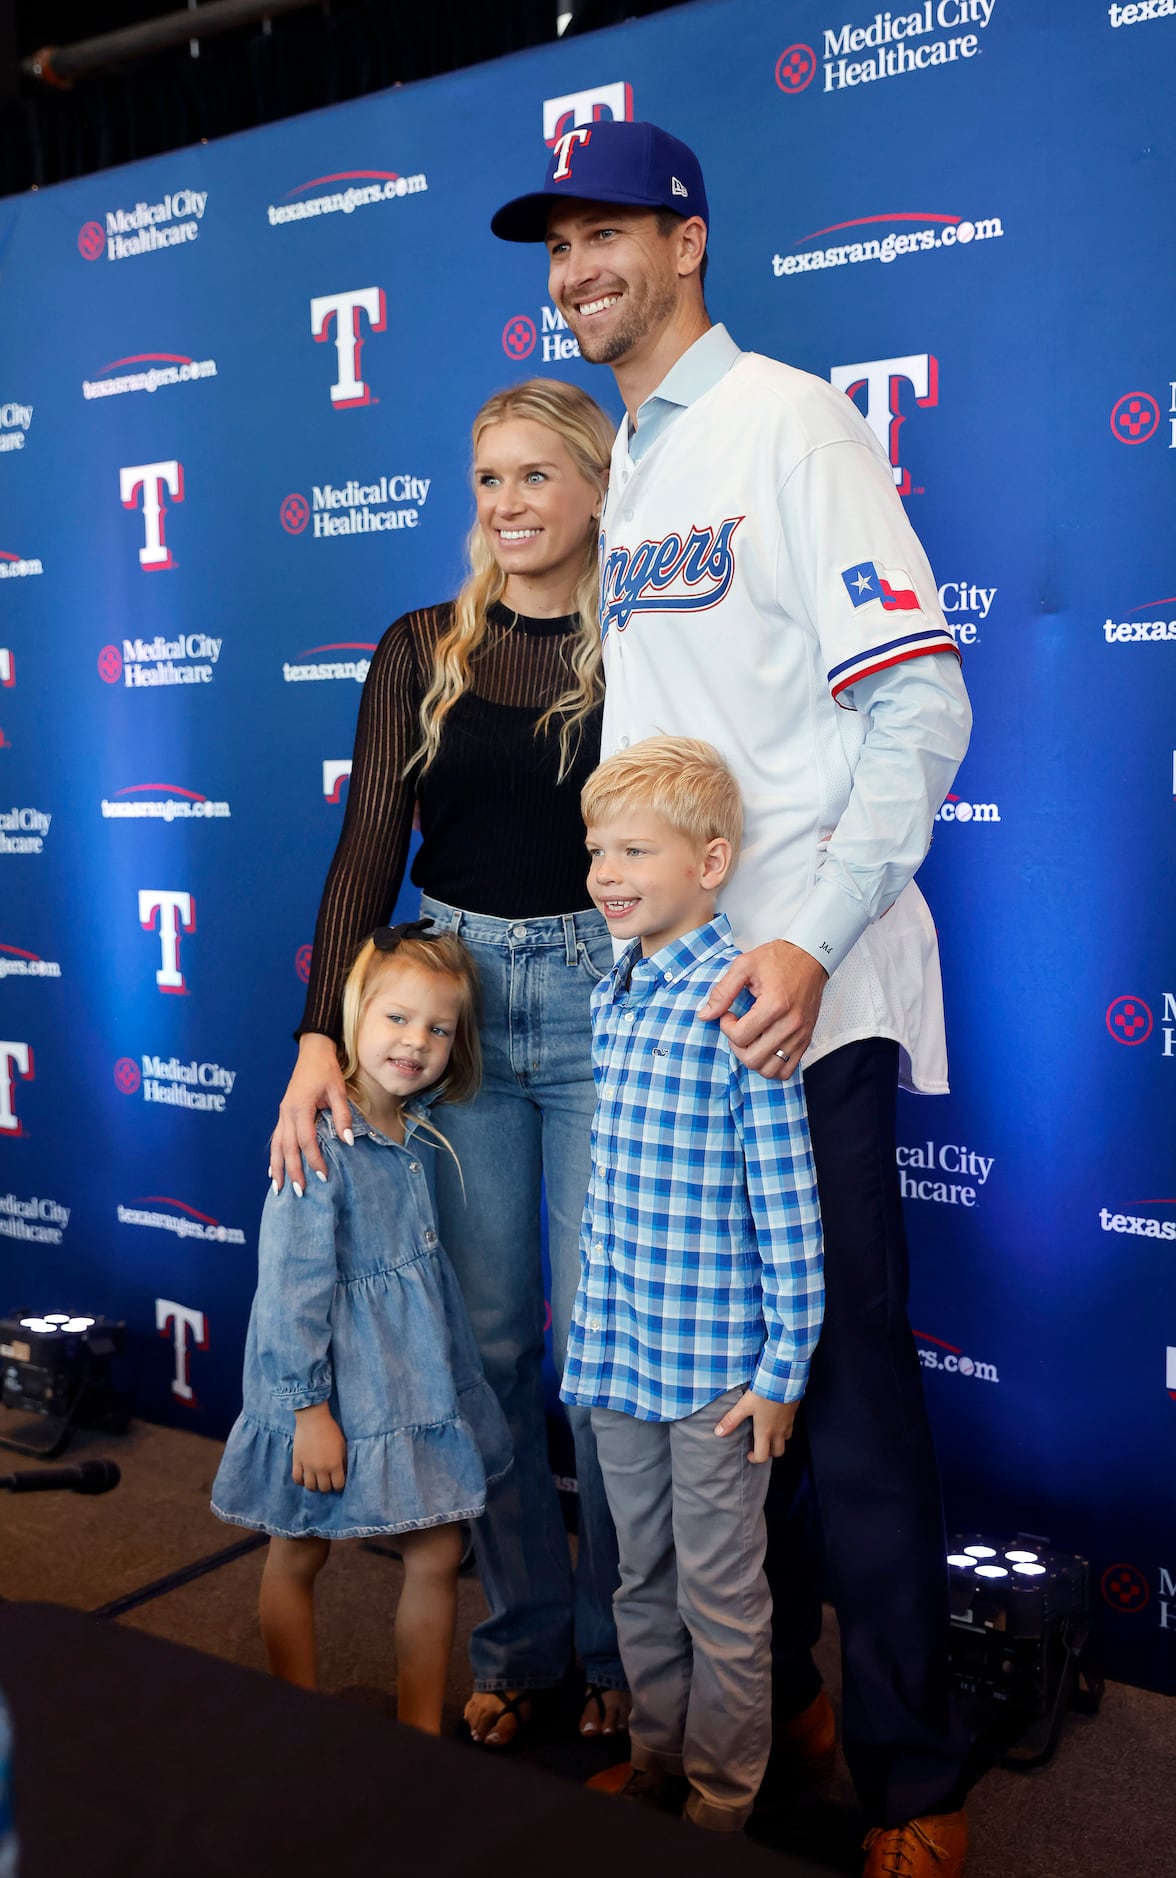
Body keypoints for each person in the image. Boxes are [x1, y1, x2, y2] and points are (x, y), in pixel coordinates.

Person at [492, 122, 973, 1875]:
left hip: (795, 994)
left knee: (843, 1399)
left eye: (607, 233)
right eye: (557, 246)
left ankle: (919, 1781)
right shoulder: (636, 460)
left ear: (687, 241)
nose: (575, 269)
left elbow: (919, 706)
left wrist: (810, 933)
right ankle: (785, 1721)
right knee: (721, 1404)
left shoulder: (788, 422)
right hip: (677, 1006)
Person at [268, 379, 630, 1747]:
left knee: (604, 1356)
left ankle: (619, 1652)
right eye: (489, 479)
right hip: (459, 1008)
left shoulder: (646, 636)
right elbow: (371, 837)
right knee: (481, 1345)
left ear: (598, 489)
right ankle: (524, 1640)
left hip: (611, 997)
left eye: (538, 476)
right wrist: (321, 1032)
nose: (509, 504)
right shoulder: (424, 642)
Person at [562, 736, 823, 1833]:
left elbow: (790, 1208)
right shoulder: (611, 999)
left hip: (717, 1380)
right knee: (638, 1579)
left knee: (723, 1597)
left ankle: (724, 1799)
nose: (607, 872)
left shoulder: (736, 1009)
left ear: (711, 862)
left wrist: (782, 1372)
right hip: (620, 1357)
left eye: (635, 849)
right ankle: (659, 1758)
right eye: (595, 849)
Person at [212, 921, 511, 1732]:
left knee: (440, 1550)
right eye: (397, 1019)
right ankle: (298, 1721)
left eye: (439, 1029)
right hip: (329, 1393)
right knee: (297, 1545)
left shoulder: (413, 1131)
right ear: (352, 1017)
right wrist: (308, 1411)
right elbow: (291, 1292)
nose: (416, 1043)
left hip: (408, 1385)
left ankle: (418, 1735)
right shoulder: (317, 1143)